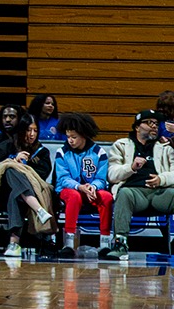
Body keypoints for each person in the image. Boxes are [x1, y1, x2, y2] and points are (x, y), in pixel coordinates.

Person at [0, 112, 55, 256]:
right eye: (28, 130)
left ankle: (14, 243)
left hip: (37, 189)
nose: (31, 134)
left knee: (16, 190)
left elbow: (40, 176)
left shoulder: (42, 152)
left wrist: (22, 166)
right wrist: (14, 160)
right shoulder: (8, 147)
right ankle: (38, 211)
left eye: (35, 130)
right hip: (5, 190)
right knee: (10, 169)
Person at [100, 111, 173, 261]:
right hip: (135, 194)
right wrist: (131, 168)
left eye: (156, 123)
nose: (154, 126)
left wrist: (162, 179)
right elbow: (112, 175)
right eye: (149, 123)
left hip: (160, 193)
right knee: (124, 193)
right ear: (137, 127)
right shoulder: (121, 145)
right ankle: (120, 245)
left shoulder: (166, 147)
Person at [54, 112, 112, 255]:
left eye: (74, 137)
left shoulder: (99, 153)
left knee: (106, 197)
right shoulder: (61, 152)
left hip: (90, 191)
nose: (70, 141)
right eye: (68, 137)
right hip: (68, 190)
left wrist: (94, 186)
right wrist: (79, 186)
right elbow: (63, 178)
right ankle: (68, 243)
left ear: (84, 135)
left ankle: (105, 243)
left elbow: (101, 179)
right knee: (74, 196)